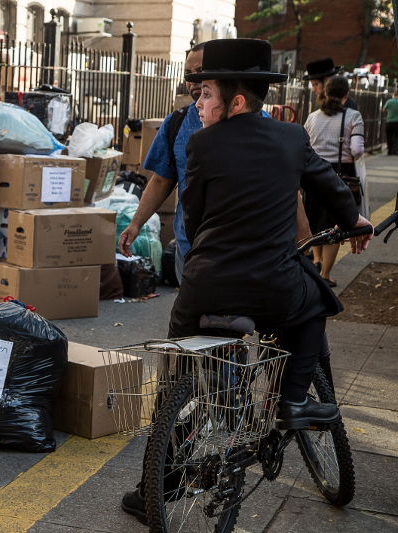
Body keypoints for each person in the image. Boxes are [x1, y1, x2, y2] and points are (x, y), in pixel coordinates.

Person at [121, 38, 372, 524]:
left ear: (234, 101)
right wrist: (356, 222)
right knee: (315, 302)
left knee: (182, 374)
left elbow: (193, 220)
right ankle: (295, 399)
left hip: (205, 286)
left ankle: (158, 476)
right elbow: (332, 189)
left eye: (205, 93)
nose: (197, 102)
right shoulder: (292, 137)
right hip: (275, 284)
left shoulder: (199, 143)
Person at [117, 42, 206, 283]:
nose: (194, 80)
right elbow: (161, 180)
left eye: (201, 71)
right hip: (189, 249)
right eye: (189, 73)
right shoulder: (177, 123)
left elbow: (285, 187)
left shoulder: (256, 122)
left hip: (241, 253)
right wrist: (135, 224)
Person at [303, 76, 365, 287]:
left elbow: (304, 145)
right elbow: (357, 149)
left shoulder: (312, 117)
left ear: (326, 93)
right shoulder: (353, 116)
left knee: (316, 222)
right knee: (336, 226)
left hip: (312, 174)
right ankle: (326, 275)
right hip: (341, 175)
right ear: (346, 96)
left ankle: (317, 260)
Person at [383, 89, 398, 155]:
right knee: (396, 137)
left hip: (389, 122)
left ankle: (389, 151)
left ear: (394, 95)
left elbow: (383, 110)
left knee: (389, 137)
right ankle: (395, 150)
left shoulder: (389, 101)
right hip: (397, 123)